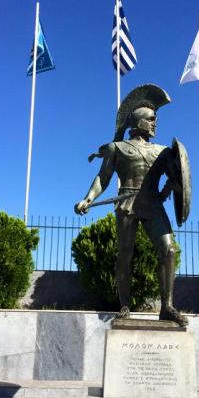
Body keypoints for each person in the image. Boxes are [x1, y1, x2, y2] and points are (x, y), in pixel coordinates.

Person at [74, 85, 189, 326]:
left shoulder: (163, 152)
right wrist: (88, 198)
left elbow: (177, 178)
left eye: (156, 120)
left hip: (153, 203)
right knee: (125, 255)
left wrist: (173, 187)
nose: (155, 124)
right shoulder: (116, 148)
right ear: (138, 122)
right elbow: (102, 178)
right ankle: (125, 306)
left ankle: (167, 307)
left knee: (169, 250)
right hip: (126, 201)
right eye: (151, 119)